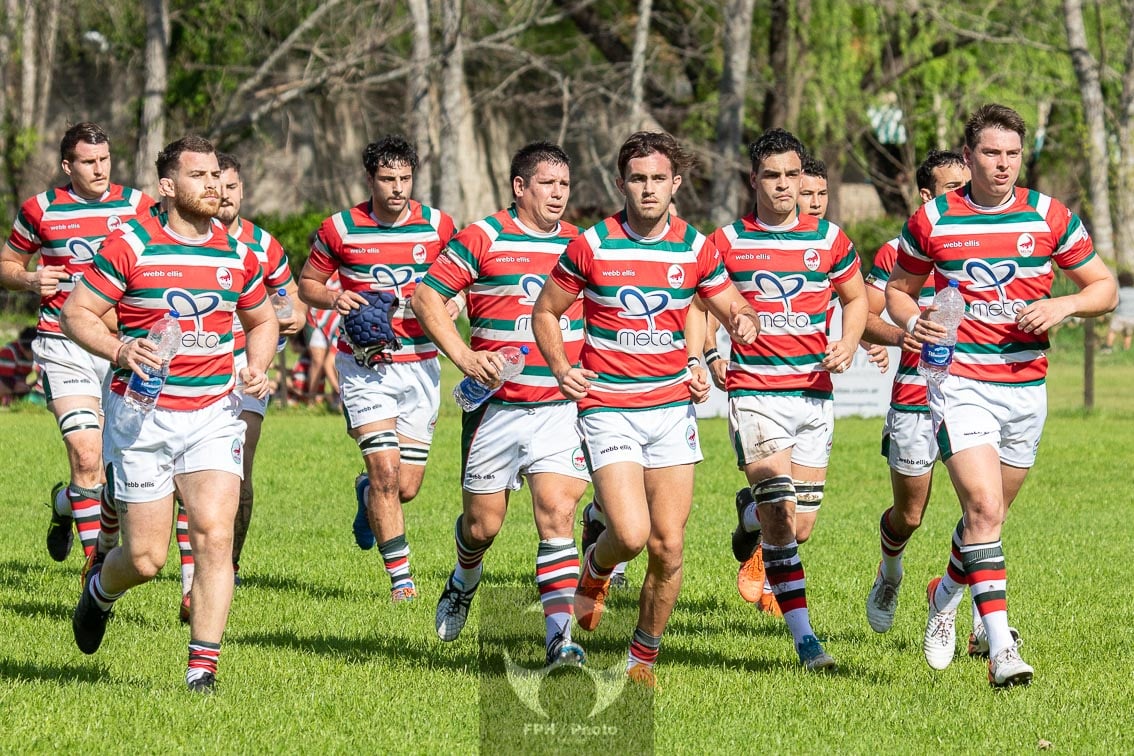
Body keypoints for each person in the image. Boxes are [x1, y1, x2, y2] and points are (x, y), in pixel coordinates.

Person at [886, 104, 1117, 687]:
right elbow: (897, 289)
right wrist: (913, 319)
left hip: (1026, 389)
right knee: (984, 508)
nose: (1003, 165)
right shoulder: (935, 219)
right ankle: (1001, 649)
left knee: (987, 520)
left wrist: (1063, 305)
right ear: (968, 158)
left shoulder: (1048, 215)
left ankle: (943, 596)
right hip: (960, 385)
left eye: (1013, 154)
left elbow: (1105, 287)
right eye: (992, 153)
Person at [532, 131, 758, 687]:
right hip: (608, 406)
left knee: (669, 545)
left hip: (671, 409)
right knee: (631, 534)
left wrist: (741, 324)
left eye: (659, 178)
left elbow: (728, 302)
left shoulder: (694, 247)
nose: (648, 189)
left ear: (675, 184)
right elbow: (545, 311)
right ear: (620, 184)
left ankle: (642, 656)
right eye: (638, 179)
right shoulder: (593, 245)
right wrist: (562, 367)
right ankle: (597, 566)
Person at [60, 135, 278, 693]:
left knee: (214, 536)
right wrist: (119, 349)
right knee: (147, 556)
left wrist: (256, 365)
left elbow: (261, 318)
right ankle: (100, 591)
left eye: (216, 176)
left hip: (214, 412)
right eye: (199, 176)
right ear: (167, 186)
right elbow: (77, 312)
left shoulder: (236, 250)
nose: (213, 186)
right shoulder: (130, 244)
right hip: (143, 414)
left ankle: (201, 671)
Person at [414, 141, 591, 666]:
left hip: (560, 405)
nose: (558, 194)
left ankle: (559, 637)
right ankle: (464, 578)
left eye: (564, 184)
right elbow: (426, 297)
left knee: (557, 513)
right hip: (495, 408)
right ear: (520, 187)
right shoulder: (483, 236)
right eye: (547, 184)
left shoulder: (581, 243)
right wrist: (466, 356)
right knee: (482, 527)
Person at [709, 128, 867, 671]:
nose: (783, 186)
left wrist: (847, 342)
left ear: (804, 179)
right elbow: (699, 303)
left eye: (792, 175)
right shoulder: (728, 241)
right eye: (772, 176)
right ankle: (806, 641)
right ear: (754, 179)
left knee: (798, 525)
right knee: (782, 516)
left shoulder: (829, 239)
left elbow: (856, 296)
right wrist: (708, 355)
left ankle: (747, 510)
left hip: (813, 398)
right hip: (756, 395)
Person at [298, 135, 457, 603]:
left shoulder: (437, 225)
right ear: (370, 179)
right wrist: (334, 296)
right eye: (388, 179)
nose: (397, 188)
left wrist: (455, 302)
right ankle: (402, 583)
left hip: (421, 365)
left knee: (403, 487)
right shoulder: (340, 228)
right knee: (387, 472)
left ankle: (366, 492)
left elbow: (463, 279)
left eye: (405, 178)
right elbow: (307, 283)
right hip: (365, 366)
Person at [0, 122, 156, 564]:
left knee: (111, 466)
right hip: (62, 342)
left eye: (105, 159)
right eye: (89, 162)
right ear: (67, 165)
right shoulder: (40, 209)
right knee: (86, 456)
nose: (99, 168)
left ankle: (64, 504)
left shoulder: (139, 206)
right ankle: (96, 571)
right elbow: (7, 262)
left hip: (124, 344)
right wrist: (29, 278)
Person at [864, 150, 992, 645]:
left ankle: (984, 621)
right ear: (925, 195)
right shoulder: (898, 251)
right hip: (915, 397)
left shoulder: (984, 245)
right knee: (909, 515)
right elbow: (866, 315)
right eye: (952, 187)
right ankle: (890, 572)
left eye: (967, 185)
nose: (962, 195)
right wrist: (890, 338)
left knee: (982, 508)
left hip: (975, 393)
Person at [174, 152, 305, 621]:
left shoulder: (263, 245)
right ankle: (194, 575)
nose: (222, 194)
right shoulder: (175, 239)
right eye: (215, 184)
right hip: (184, 367)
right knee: (178, 482)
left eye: (231, 186)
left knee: (236, 473)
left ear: (241, 191)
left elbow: (294, 308)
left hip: (243, 368)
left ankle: (217, 571)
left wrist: (278, 319)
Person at [0, 326, 37, 405]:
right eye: (33, 353)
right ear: (23, 348)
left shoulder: (37, 354)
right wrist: (18, 386)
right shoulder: (9, 352)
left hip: (19, 386)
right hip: (5, 383)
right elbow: (5, 379)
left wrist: (31, 386)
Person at [1102, 271, 1134, 352]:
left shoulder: (1119, 292)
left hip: (1120, 316)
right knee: (1128, 334)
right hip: (1131, 318)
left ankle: (1108, 348)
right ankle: (1126, 350)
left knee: (1112, 331)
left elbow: (1115, 303)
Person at [799, 154, 830, 219]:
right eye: (807, 194)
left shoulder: (833, 229)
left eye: (822, 193)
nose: (816, 204)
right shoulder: (775, 228)